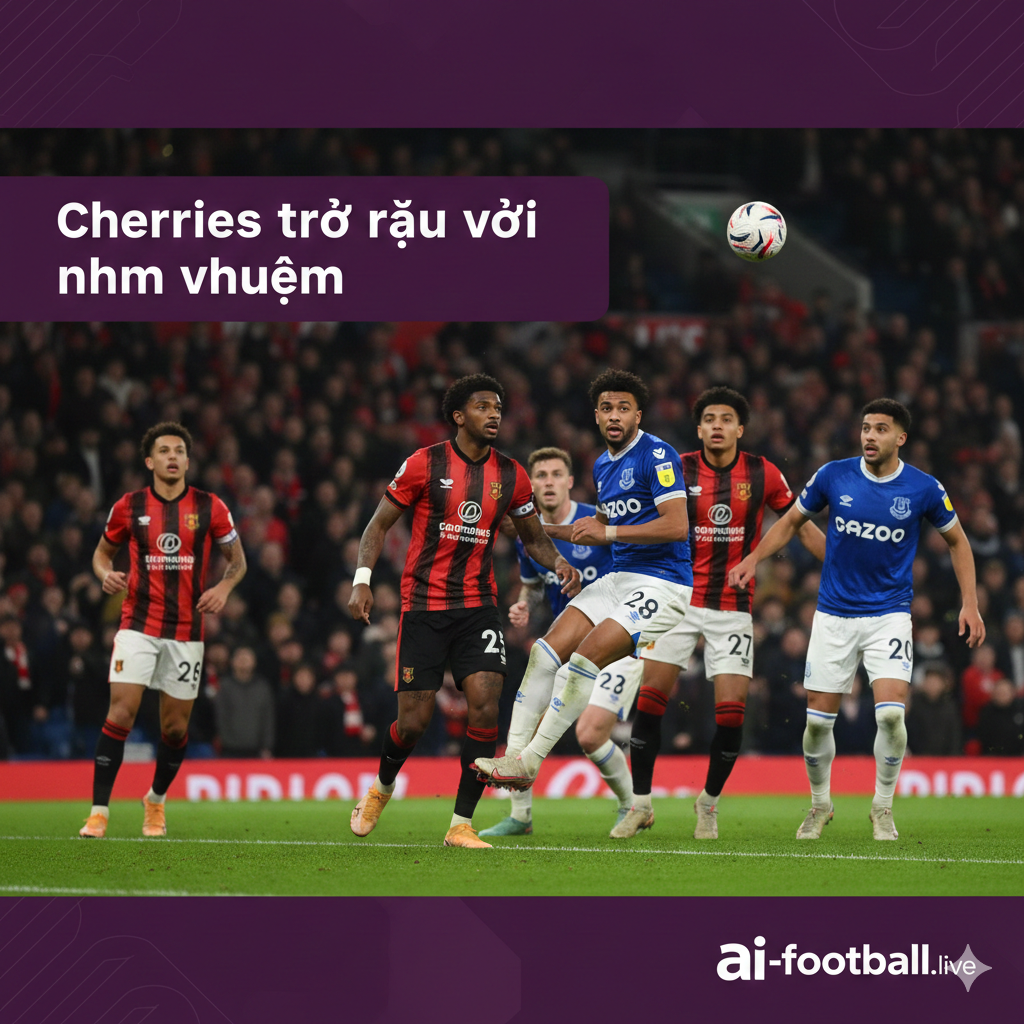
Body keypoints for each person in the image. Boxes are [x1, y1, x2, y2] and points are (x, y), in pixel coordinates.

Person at [730, 399, 985, 840]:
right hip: (833, 615)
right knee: (816, 724)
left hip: (889, 616)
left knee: (890, 717)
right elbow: (791, 521)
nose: (869, 436)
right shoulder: (833, 475)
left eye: (881, 429)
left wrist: (970, 603)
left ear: (900, 438)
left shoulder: (923, 488)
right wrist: (755, 558)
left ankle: (882, 808)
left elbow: (959, 542)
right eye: (866, 428)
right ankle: (819, 804)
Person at [347, 375, 580, 849]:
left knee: (484, 704)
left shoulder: (512, 474)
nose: (494, 414)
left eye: (498, 407)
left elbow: (532, 536)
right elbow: (378, 525)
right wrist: (363, 581)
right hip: (424, 605)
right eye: (482, 406)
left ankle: (461, 823)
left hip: (478, 607)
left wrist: (560, 563)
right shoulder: (424, 463)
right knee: (412, 722)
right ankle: (380, 789)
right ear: (459, 415)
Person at [600, 386, 825, 839]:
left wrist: (842, 567)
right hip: (677, 601)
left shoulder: (763, 474)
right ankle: (640, 804)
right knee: (650, 703)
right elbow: (642, 522)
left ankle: (709, 803)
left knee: (730, 714)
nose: (717, 426)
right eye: (709, 419)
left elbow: (798, 526)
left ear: (740, 428)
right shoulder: (676, 468)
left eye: (726, 419)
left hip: (732, 609)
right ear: (699, 428)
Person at [473, 370, 693, 833]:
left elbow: (676, 527)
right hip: (620, 578)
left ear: (639, 414)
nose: (615, 416)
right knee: (543, 652)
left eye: (623, 408)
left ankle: (531, 761)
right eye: (607, 409)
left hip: (665, 584)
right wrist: (536, 530)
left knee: (585, 658)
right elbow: (588, 533)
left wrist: (607, 531)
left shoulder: (658, 455)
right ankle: (512, 759)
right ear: (596, 415)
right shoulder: (602, 465)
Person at [80, 422, 246, 839]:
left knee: (174, 729)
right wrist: (105, 575)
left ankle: (154, 799)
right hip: (137, 624)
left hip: (187, 631)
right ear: (150, 461)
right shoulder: (128, 506)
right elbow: (102, 555)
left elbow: (238, 562)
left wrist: (224, 587)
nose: (172, 456)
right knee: (121, 712)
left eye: (179, 451)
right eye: (164, 451)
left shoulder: (211, 506)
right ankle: (99, 812)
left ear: (188, 461)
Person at [478, 446, 637, 838]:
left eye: (555, 474)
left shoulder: (594, 521)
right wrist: (522, 604)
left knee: (589, 734)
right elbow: (534, 586)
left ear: (569, 481)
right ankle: (520, 816)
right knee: (523, 712)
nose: (548, 482)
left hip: (618, 642)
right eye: (541, 476)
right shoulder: (527, 535)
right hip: (569, 644)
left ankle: (631, 805)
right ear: (532, 486)